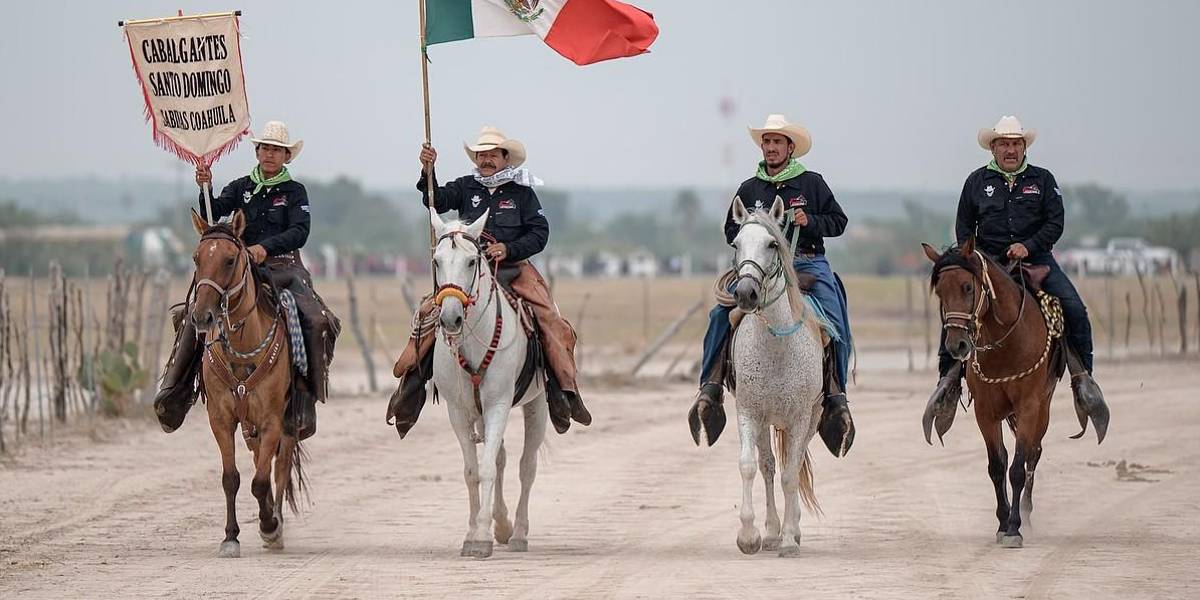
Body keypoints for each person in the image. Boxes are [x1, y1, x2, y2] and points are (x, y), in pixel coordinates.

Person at [387, 126, 590, 436]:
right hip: (470, 270)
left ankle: (562, 389)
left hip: (514, 269)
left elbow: (540, 233)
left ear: (505, 158)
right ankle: (412, 387)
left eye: (493, 155)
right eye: (482, 155)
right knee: (430, 314)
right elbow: (436, 200)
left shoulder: (522, 192)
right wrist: (427, 170)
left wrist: (509, 248)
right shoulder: (466, 187)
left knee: (548, 317)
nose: (486, 160)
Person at [153, 121, 340, 440]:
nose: (270, 154)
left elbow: (300, 231)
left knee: (318, 320)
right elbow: (213, 212)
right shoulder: (239, 187)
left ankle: (304, 399)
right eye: (265, 148)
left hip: (285, 268)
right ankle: (177, 389)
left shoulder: (295, 192)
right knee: (191, 313)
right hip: (240, 268)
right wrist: (205, 188)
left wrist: (264, 248)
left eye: (276, 150)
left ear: (286, 157)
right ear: (257, 152)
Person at [689, 114, 856, 456]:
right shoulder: (750, 189)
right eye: (766, 142)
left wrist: (809, 220)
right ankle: (711, 386)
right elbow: (729, 231)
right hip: (761, 265)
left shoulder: (812, 183)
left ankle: (836, 396)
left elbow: (839, 222)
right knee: (720, 315)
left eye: (777, 142)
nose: (771, 147)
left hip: (808, 262)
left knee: (835, 320)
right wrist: (752, 234)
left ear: (790, 147)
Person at [930, 115, 1101, 405]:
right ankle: (948, 381)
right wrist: (971, 257)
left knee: (1074, 308)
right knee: (957, 312)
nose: (1010, 150)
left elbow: (1055, 222)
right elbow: (964, 226)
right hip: (988, 262)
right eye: (1004, 144)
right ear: (993, 148)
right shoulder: (976, 181)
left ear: (1024, 148)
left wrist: (1029, 245)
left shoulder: (1043, 179)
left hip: (1038, 259)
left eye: (1016, 144)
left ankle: (1083, 380)